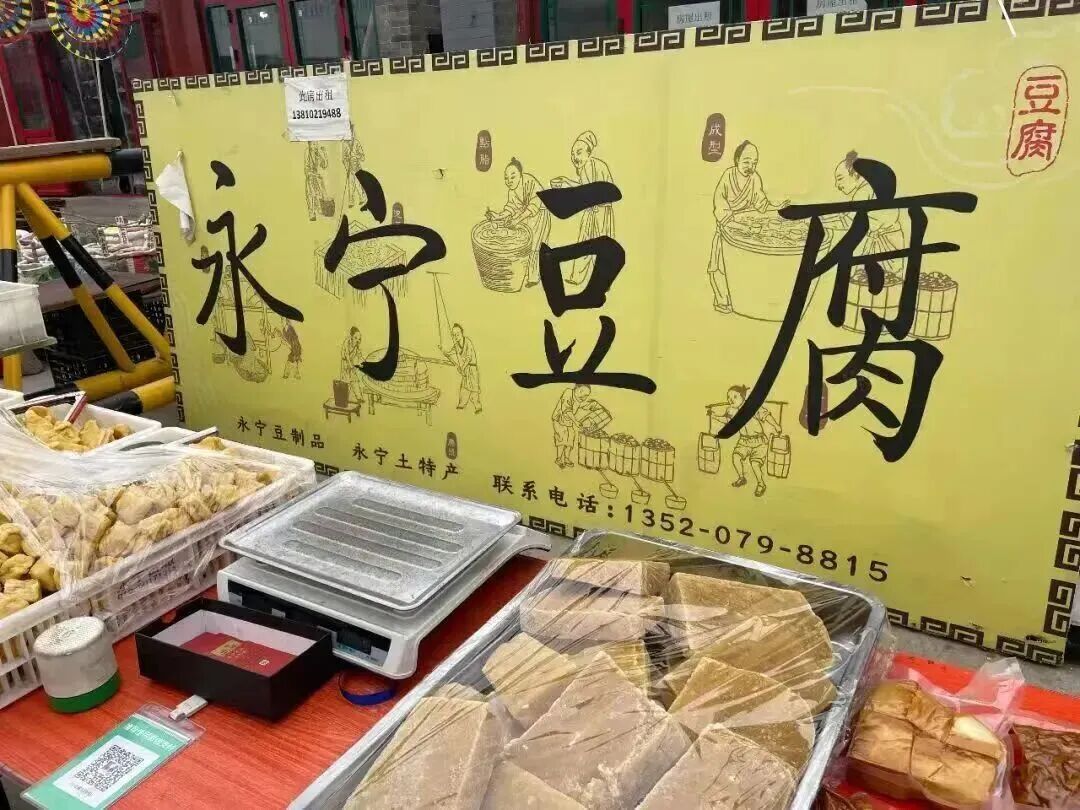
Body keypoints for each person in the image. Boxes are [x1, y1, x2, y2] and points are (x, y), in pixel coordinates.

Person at [706, 140, 788, 313]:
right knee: (718, 266)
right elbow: (720, 207)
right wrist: (740, 226)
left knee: (744, 268)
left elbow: (761, 204)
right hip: (728, 227)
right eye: (746, 161)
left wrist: (777, 207)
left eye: (754, 163)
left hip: (747, 229)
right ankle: (722, 300)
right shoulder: (728, 176)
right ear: (737, 160)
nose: (750, 166)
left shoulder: (754, 178)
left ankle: (746, 301)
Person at [826, 150, 906, 274]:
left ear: (856, 175)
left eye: (840, 179)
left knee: (886, 276)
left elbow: (848, 221)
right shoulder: (869, 188)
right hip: (885, 238)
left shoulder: (863, 192)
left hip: (886, 242)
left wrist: (824, 223)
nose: (837, 185)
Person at [551, 131, 615, 285]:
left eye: (579, 152)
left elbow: (605, 192)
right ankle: (577, 277)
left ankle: (604, 281)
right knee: (584, 243)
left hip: (601, 214)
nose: (575, 157)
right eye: (573, 154)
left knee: (602, 247)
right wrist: (565, 182)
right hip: (590, 212)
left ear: (589, 152)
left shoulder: (598, 166)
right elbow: (583, 189)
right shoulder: (585, 168)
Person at [486, 157, 551, 287]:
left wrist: (516, 220)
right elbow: (510, 208)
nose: (509, 180)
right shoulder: (512, 191)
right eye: (506, 178)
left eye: (513, 176)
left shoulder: (529, 181)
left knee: (535, 247)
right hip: (527, 217)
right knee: (526, 245)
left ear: (520, 175)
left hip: (540, 216)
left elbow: (534, 205)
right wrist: (496, 216)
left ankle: (534, 278)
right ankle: (528, 273)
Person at [718, 385, 781, 497]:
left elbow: (766, 415)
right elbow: (726, 420)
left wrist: (776, 425)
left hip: (759, 442)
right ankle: (742, 478)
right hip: (744, 441)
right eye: (728, 397)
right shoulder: (731, 411)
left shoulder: (752, 407)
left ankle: (761, 484)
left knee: (755, 464)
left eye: (735, 397)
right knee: (736, 457)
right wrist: (714, 416)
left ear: (743, 397)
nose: (731, 400)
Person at [443, 323, 481, 414]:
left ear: (462, 333)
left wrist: (462, 367)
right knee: (464, 388)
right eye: (454, 335)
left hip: (472, 368)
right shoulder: (456, 345)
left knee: (474, 389)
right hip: (466, 368)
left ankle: (478, 407)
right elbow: (450, 352)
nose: (456, 336)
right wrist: (444, 352)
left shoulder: (467, 342)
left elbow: (468, 357)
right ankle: (461, 405)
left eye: (458, 334)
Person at [551, 384, 592, 468]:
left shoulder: (578, 400)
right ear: (576, 389)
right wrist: (576, 422)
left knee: (570, 439)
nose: (584, 397)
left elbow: (578, 409)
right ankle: (559, 459)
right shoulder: (568, 393)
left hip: (569, 422)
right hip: (559, 420)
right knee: (562, 439)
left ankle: (566, 458)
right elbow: (567, 410)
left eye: (586, 396)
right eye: (582, 392)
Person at [305, 142, 329, 221]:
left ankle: (319, 209)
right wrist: (315, 175)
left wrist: (325, 154)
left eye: (316, 143)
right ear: (309, 144)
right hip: (311, 177)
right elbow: (306, 171)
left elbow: (324, 165)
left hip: (316, 177)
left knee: (320, 193)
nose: (316, 145)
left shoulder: (317, 153)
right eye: (314, 144)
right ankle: (312, 213)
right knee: (311, 195)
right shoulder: (307, 152)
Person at [342, 135, 366, 208]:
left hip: (357, 167)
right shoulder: (344, 144)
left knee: (358, 183)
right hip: (349, 168)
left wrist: (355, 156)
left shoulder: (356, 143)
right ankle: (351, 201)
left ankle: (362, 198)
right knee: (350, 185)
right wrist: (347, 167)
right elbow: (343, 159)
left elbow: (362, 157)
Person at [340, 327, 364, 400]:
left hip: (351, 362)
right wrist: (350, 365)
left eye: (359, 338)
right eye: (355, 337)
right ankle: (343, 398)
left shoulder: (357, 345)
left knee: (354, 379)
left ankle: (359, 397)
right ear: (351, 336)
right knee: (345, 381)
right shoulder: (347, 342)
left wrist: (363, 363)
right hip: (345, 362)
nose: (357, 340)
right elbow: (346, 355)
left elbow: (360, 355)